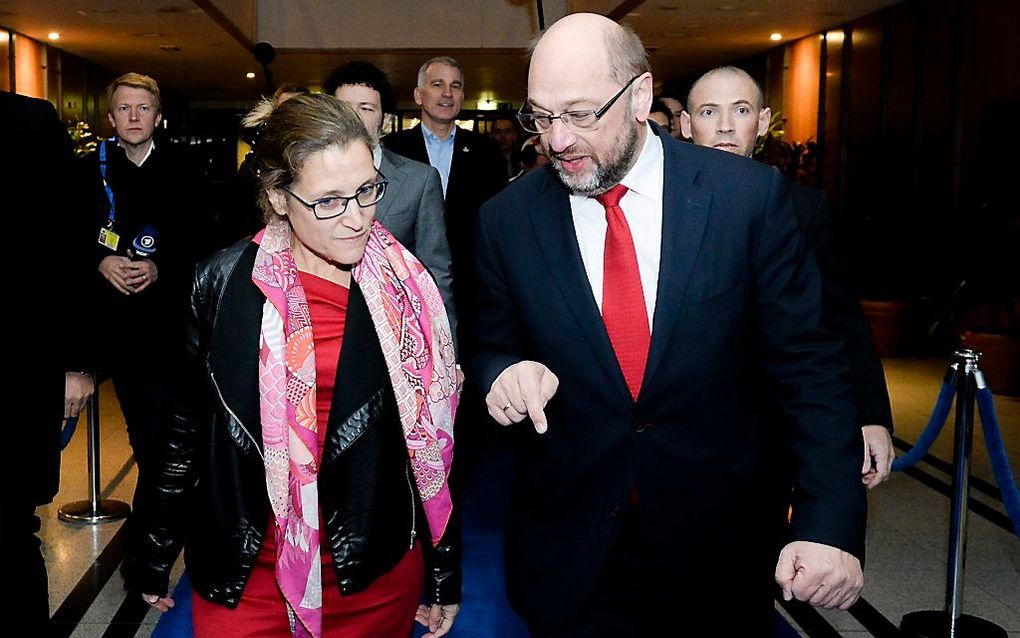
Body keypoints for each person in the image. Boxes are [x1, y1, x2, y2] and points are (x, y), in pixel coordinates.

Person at [472, 13, 866, 636]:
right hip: (572, 552)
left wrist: (829, 521)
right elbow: (493, 342)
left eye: (579, 113)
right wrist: (504, 373)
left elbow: (808, 367)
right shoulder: (506, 221)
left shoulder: (747, 200)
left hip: (719, 544)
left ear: (639, 96)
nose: (557, 139)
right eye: (541, 116)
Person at [130, 94, 461, 638]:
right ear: (278, 198)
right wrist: (156, 548)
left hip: (371, 571)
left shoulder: (407, 291)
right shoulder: (221, 284)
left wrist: (445, 571)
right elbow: (183, 427)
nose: (356, 218)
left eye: (366, 190)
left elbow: (433, 445)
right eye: (329, 200)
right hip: (248, 573)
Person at [680, 65, 895, 488]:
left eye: (740, 110)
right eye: (709, 112)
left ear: (762, 121)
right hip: (680, 423)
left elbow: (841, 319)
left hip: (772, 424)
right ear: (686, 125)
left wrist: (871, 415)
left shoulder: (804, 208)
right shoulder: (656, 207)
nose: (725, 126)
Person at [81, 73, 197, 561]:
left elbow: (201, 243)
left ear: (157, 115)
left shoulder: (185, 170)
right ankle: (155, 532)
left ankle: (154, 535)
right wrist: (101, 259)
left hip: (171, 327)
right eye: (124, 109)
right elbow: (67, 236)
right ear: (110, 118)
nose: (133, 117)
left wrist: (159, 267)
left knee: (165, 435)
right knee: (143, 433)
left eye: (142, 108)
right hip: (119, 329)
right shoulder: (88, 172)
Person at [0, 90, 95, 631]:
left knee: (9, 534)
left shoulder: (28, 121)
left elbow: (70, 245)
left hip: (17, 369)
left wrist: (76, 360)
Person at [383, 56, 506, 353]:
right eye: (437, 84)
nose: (447, 93)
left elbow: (499, 222)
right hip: (407, 283)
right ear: (418, 95)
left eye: (455, 86)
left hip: (473, 287)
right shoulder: (393, 150)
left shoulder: (486, 151)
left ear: (463, 96)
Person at [325, 60, 456, 336]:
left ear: (384, 119)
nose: (354, 118)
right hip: (324, 327)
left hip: (397, 333)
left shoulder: (419, 180)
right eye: (344, 109)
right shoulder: (310, 179)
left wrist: (447, 353)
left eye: (366, 109)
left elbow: (436, 275)